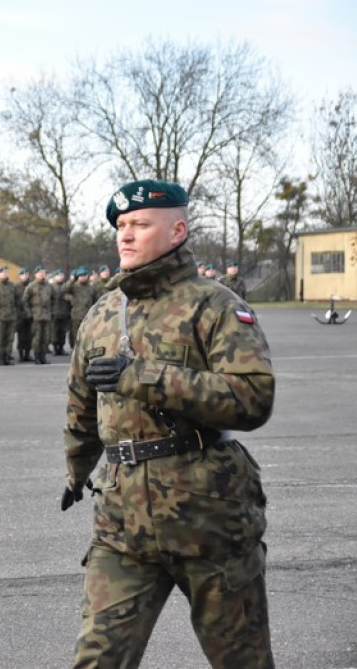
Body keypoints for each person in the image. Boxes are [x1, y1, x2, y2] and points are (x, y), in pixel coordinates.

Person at [60, 179, 275, 668]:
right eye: (121, 225)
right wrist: (76, 470)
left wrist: (143, 376)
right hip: (122, 524)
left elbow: (252, 397)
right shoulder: (102, 314)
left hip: (208, 517)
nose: (125, 235)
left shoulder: (214, 305)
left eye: (139, 224)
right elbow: (81, 404)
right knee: (97, 659)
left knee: (242, 659)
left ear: (177, 231)